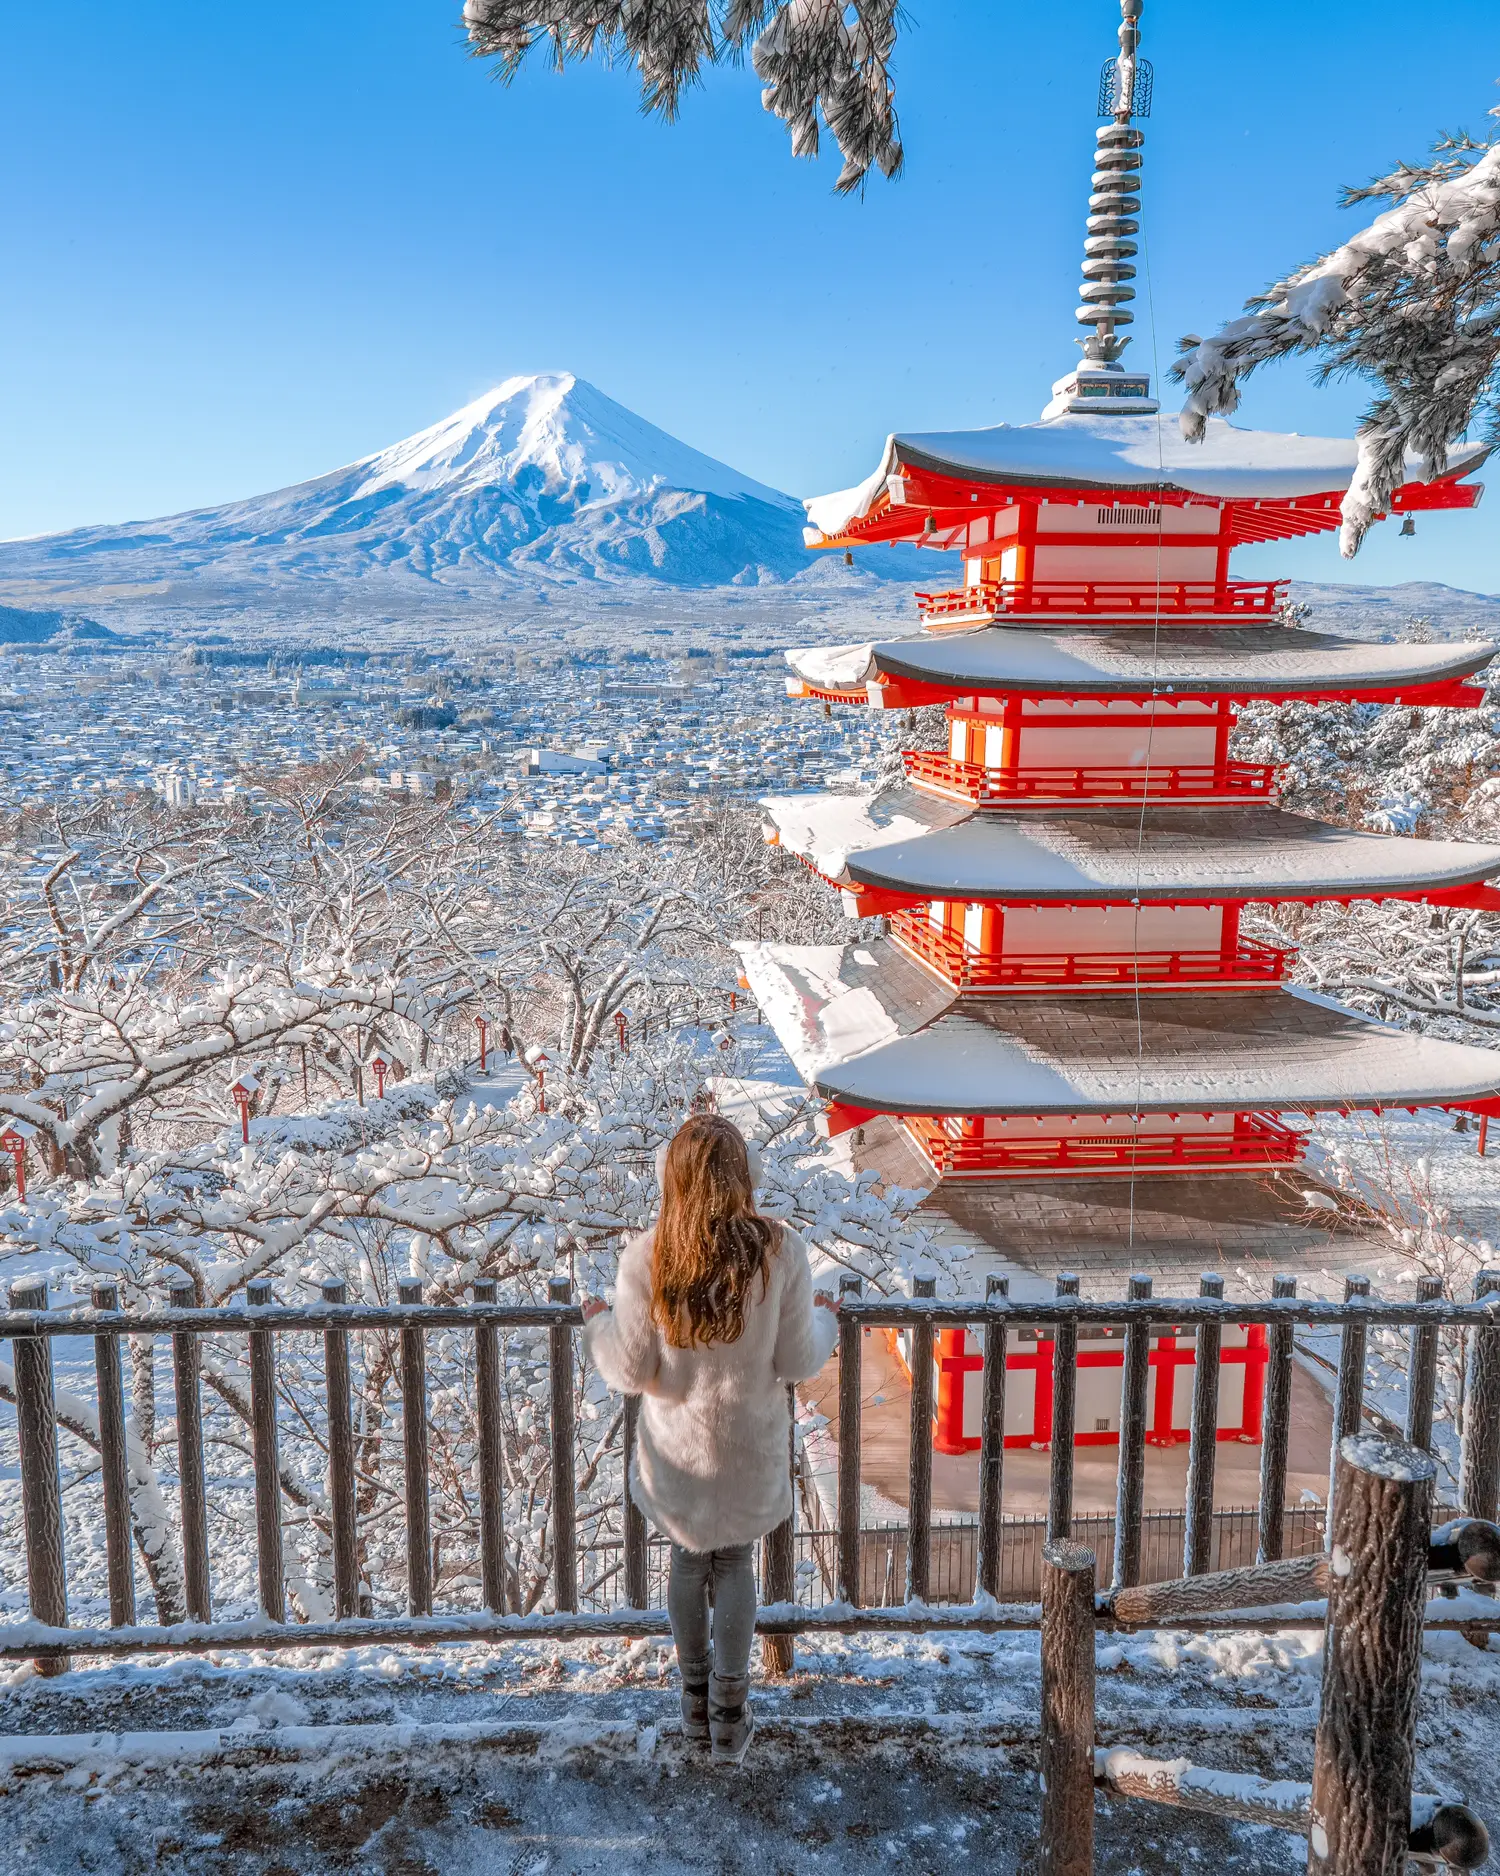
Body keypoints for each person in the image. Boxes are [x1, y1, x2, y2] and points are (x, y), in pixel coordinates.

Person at [582, 1114, 838, 1765]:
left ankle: (693, 1710)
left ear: (675, 1177)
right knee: (736, 1566)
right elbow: (798, 1359)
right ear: (742, 1176)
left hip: (679, 1453)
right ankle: (731, 1715)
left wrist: (597, 1325)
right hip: (749, 1447)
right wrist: (827, 1322)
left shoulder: (650, 1255)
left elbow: (630, 1369)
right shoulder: (780, 1250)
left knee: (689, 1563)